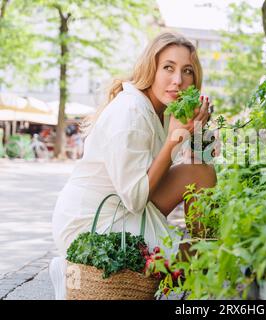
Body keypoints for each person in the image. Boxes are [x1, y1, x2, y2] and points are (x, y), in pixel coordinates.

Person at [49, 32, 217, 299]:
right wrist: (174, 141)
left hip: (124, 208)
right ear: (151, 69)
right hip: (91, 221)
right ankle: (71, 273)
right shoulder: (131, 111)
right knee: (189, 261)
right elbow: (136, 198)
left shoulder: (163, 111)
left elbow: (199, 167)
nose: (178, 80)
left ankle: (205, 262)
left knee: (202, 173)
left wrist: (198, 132)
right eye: (168, 68)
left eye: (187, 71)